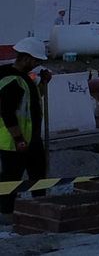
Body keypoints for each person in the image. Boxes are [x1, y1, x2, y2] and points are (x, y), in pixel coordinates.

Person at [1, 38, 52, 215]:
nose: (37, 64)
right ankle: (6, 214)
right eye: (36, 60)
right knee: (11, 179)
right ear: (26, 58)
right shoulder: (12, 81)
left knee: (38, 176)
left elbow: (32, 102)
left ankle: (40, 209)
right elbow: (7, 114)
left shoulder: (24, 79)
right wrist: (19, 139)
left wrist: (44, 83)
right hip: (15, 142)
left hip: (31, 138)